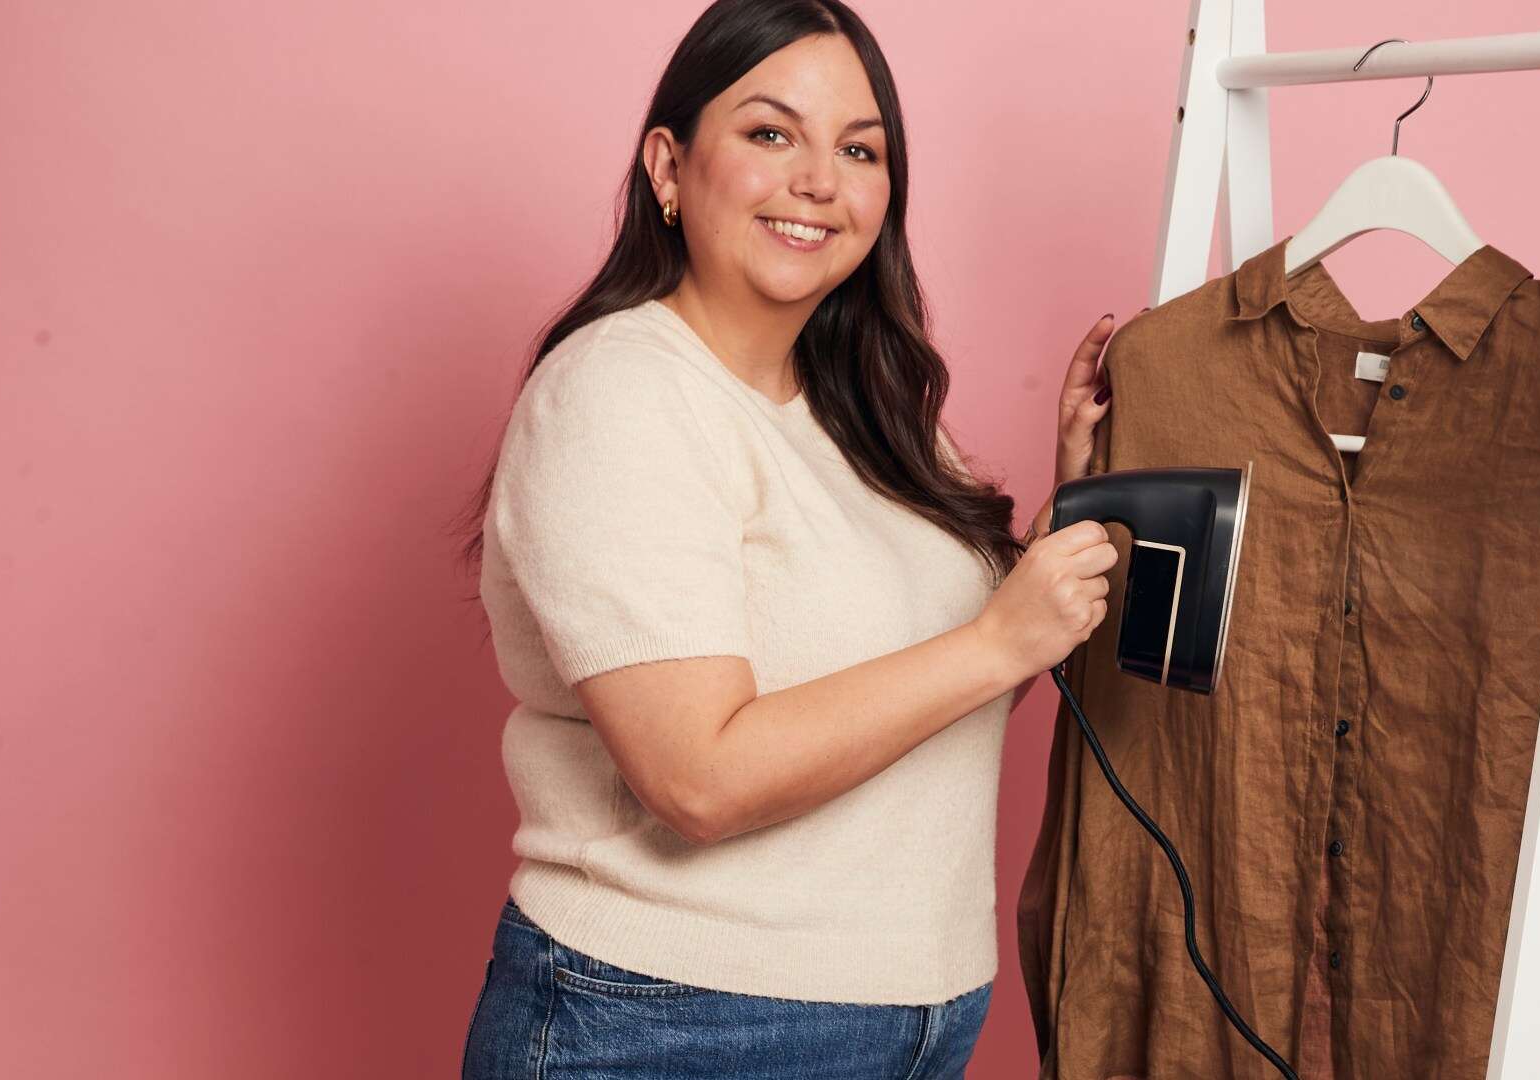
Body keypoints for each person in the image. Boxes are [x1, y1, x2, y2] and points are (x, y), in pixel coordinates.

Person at [449, 1, 1117, 1076]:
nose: (819, 179)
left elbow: (957, 691)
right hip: (672, 1023)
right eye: (771, 134)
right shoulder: (623, 393)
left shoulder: (874, 411)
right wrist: (999, 637)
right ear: (668, 167)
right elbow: (698, 779)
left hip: (914, 1015)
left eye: (860, 150)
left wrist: (1072, 505)